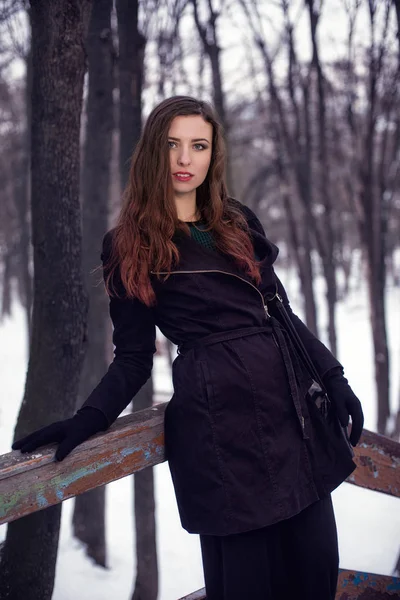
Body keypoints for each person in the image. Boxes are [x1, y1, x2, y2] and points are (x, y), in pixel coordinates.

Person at [13, 96, 364, 600]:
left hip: (292, 422)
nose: (185, 159)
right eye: (173, 145)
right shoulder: (130, 244)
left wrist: (334, 377)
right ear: (155, 152)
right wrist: (87, 418)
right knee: (247, 585)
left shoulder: (237, 221)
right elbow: (133, 357)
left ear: (212, 154)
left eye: (198, 146)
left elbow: (281, 312)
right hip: (222, 437)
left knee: (314, 573)